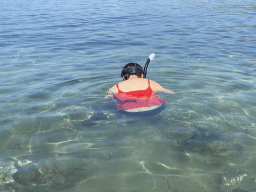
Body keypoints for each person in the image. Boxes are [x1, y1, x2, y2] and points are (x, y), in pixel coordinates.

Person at [106, 62, 175, 113]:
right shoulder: (149, 82)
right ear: (142, 76)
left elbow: (107, 98)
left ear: (124, 77)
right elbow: (170, 92)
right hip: (155, 108)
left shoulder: (116, 87)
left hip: (129, 111)